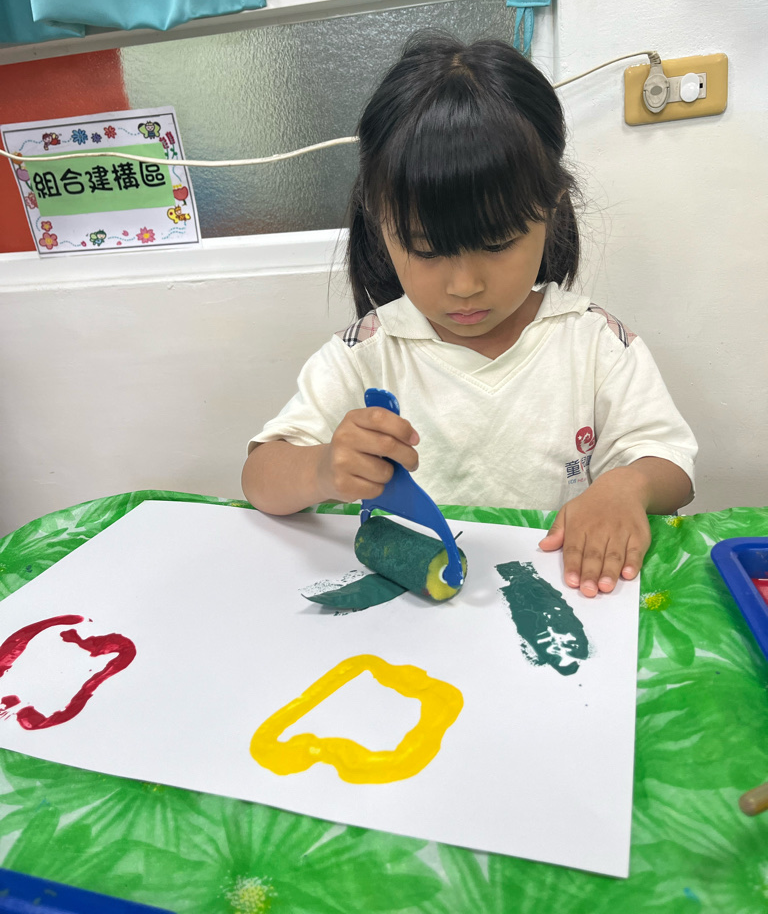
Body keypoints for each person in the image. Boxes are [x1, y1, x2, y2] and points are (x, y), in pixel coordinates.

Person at [242, 32, 697, 598]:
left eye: (498, 243)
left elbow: (671, 464)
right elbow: (260, 478)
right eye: (427, 249)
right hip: (412, 602)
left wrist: (628, 485)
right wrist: (320, 470)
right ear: (380, 223)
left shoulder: (594, 342)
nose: (465, 286)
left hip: (553, 595)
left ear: (551, 210)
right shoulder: (367, 354)